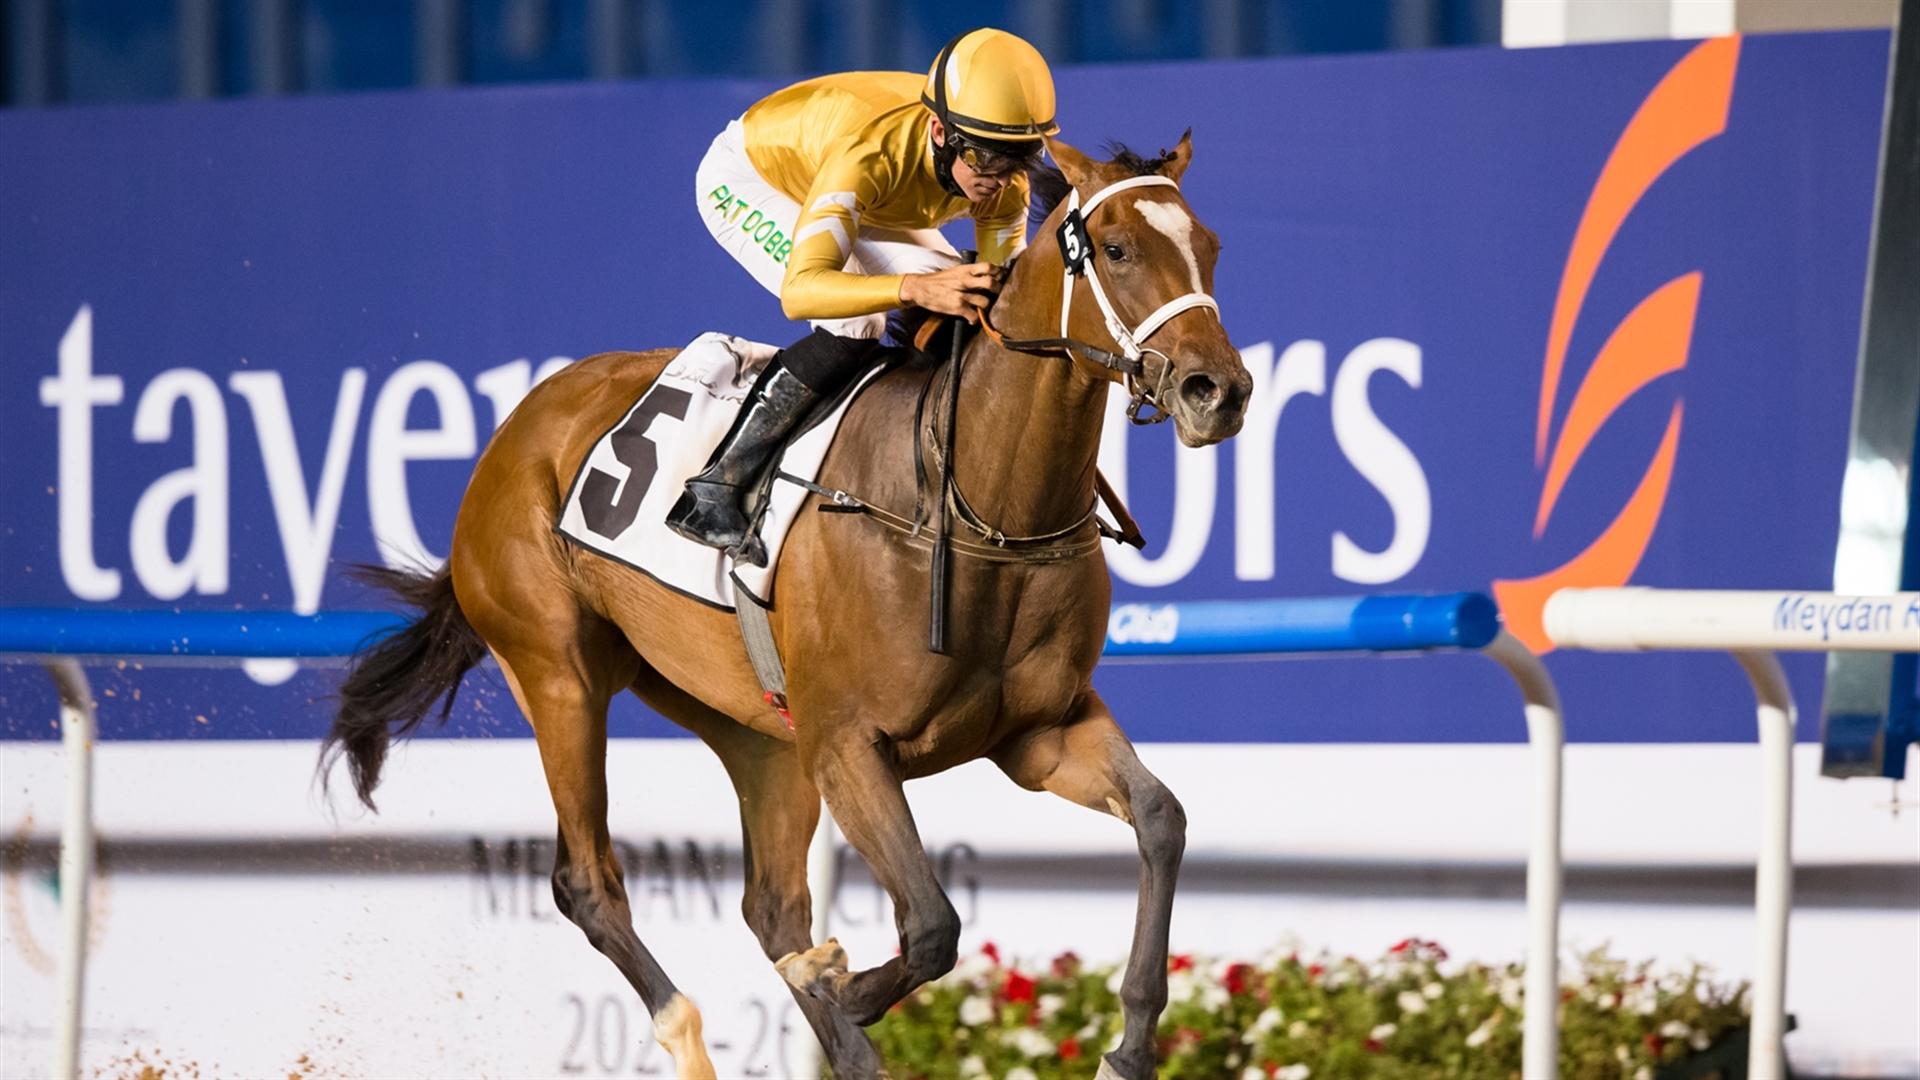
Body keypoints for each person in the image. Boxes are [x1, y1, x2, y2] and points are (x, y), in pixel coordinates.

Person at [667, 27, 1058, 565]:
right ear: (940, 133)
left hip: (873, 200)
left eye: (1016, 161)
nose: (1000, 181)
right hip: (759, 178)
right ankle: (717, 489)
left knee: (960, 295)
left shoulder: (1003, 179)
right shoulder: (868, 156)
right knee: (859, 322)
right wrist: (914, 287)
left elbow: (996, 291)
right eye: (986, 161)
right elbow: (802, 293)